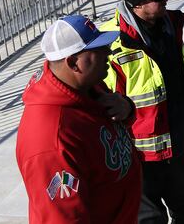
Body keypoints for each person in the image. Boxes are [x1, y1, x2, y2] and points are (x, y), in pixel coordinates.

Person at [101, 0, 184, 224]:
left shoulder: (171, 24)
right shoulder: (110, 43)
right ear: (137, 4)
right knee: (149, 219)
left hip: (176, 141)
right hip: (141, 154)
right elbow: (105, 104)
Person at [16, 15, 141, 223]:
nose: (108, 54)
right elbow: (64, 218)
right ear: (74, 62)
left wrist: (126, 108)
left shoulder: (88, 86)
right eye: (98, 50)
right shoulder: (51, 142)